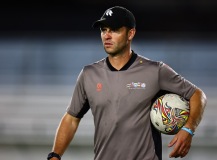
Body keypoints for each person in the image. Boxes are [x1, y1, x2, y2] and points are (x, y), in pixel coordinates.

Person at [47, 6, 207, 160]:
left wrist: (189, 128)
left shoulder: (155, 71)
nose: (107, 36)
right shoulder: (89, 74)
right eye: (103, 30)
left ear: (131, 33)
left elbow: (197, 95)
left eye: (114, 30)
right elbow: (71, 118)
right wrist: (55, 155)